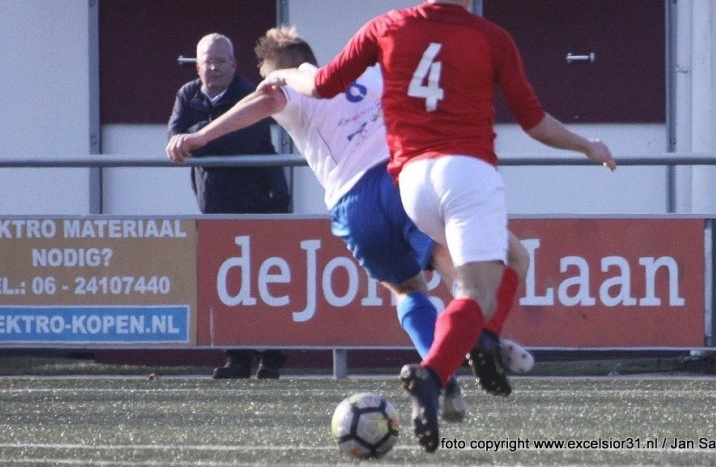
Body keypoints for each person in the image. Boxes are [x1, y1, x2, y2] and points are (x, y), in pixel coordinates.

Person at [257, 0, 616, 453]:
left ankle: (477, 343)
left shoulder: (386, 26)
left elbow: (326, 82)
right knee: (491, 281)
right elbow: (534, 121)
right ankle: (451, 360)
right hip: (464, 174)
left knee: (477, 270)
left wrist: (288, 76)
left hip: (410, 184)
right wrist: (587, 145)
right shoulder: (491, 37)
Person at [167, 26, 535, 421]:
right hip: (398, 181)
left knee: (408, 289)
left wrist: (199, 136)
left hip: (351, 205)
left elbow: (259, 104)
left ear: (279, 68)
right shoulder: (367, 74)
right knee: (464, 276)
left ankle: (444, 380)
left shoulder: (287, 85)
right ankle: (480, 341)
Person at [167, 33, 290, 380]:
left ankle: (271, 357)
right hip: (215, 204)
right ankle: (236, 357)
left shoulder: (249, 94)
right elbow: (174, 140)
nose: (213, 67)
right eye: (207, 60)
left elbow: (241, 138)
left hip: (261, 201)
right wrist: (198, 140)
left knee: (266, 283)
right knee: (229, 283)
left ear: (233, 65)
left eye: (220, 61)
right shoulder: (187, 94)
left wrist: (197, 138)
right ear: (197, 63)